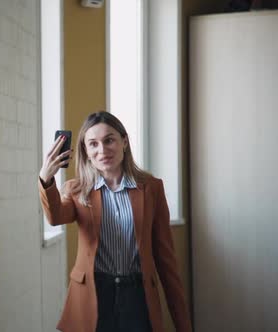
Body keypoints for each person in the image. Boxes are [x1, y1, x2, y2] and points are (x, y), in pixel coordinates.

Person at [38, 112, 192, 332]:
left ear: (124, 142)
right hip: (94, 295)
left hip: (138, 296)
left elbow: (166, 260)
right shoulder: (76, 190)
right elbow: (55, 217)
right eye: (93, 144)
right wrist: (46, 179)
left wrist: (183, 325)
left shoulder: (151, 188)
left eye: (109, 140)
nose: (102, 150)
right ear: (86, 152)